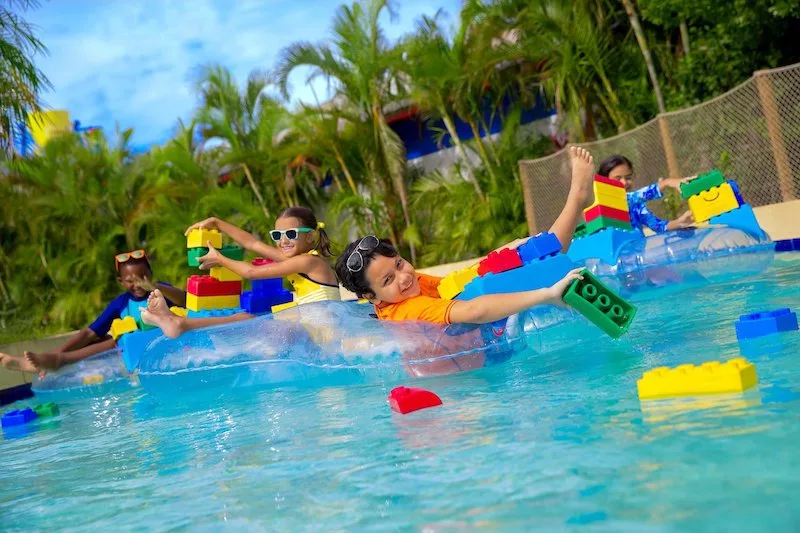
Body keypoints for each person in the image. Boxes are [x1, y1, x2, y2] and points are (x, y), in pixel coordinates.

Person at [334, 146, 594, 328]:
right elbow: (474, 310)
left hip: (470, 330)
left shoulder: (408, 286)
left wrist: (503, 252)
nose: (403, 277)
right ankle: (577, 197)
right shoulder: (407, 309)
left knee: (531, 254)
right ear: (373, 297)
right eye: (388, 279)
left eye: (399, 264)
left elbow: (455, 281)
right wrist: (547, 295)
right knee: (533, 270)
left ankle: (578, 197)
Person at [142, 206, 340, 338]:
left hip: (321, 336)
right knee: (245, 319)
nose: (283, 241)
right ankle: (176, 322)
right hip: (312, 330)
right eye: (277, 235)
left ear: (311, 236)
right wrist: (216, 222)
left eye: (290, 234)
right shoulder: (298, 259)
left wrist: (219, 259)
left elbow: (252, 272)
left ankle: (179, 324)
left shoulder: (309, 262)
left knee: (245, 320)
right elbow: (252, 243)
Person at [0, 250, 186, 373]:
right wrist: (60, 350)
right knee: (103, 339)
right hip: (128, 346)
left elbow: (185, 299)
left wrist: (155, 286)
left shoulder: (161, 292)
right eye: (130, 280)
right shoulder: (120, 303)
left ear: (151, 274)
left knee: (108, 342)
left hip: (157, 340)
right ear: (120, 281)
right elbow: (89, 332)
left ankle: (51, 361)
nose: (137, 284)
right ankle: (45, 361)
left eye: (142, 277)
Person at [597, 154, 695, 234]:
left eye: (628, 178)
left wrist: (680, 222)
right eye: (617, 179)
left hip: (637, 255)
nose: (624, 183)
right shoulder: (602, 205)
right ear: (603, 181)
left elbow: (658, 226)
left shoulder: (636, 206)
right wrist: (667, 182)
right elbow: (634, 197)